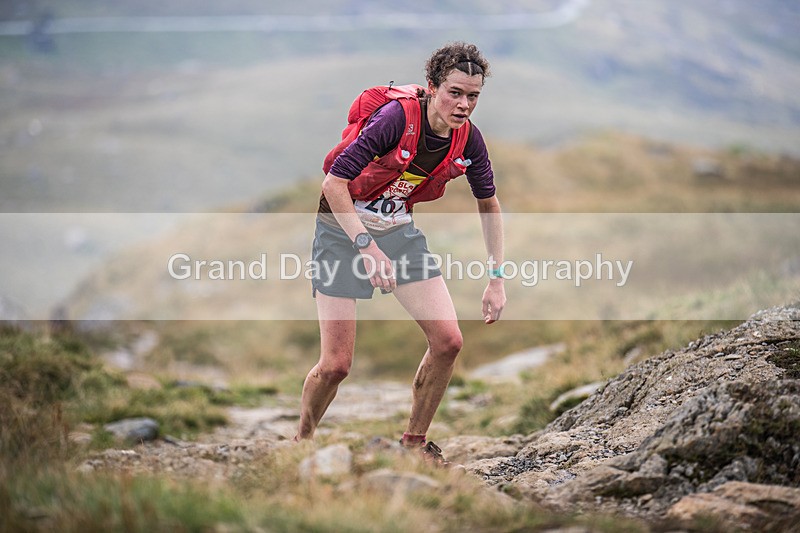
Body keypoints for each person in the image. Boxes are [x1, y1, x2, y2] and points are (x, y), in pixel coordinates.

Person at [294, 42, 506, 463]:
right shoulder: (396, 119)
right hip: (341, 230)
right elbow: (333, 184)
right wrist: (366, 247)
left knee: (448, 341)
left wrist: (496, 278)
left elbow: (489, 203)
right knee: (336, 365)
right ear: (432, 87)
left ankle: (414, 445)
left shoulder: (468, 139)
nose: (464, 105)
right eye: (455, 93)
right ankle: (302, 441)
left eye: (473, 96)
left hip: (397, 230)